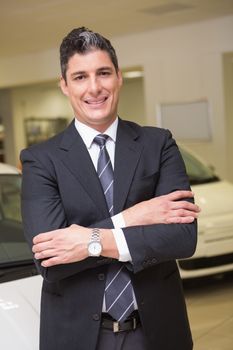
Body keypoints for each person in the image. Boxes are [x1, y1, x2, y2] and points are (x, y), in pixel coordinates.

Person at [21, 27, 200, 350]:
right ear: (64, 85)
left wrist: (87, 240)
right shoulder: (40, 160)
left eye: (103, 73)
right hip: (78, 337)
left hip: (157, 332)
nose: (94, 88)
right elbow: (50, 260)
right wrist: (131, 218)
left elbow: (182, 238)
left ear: (118, 77)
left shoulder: (158, 144)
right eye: (80, 77)